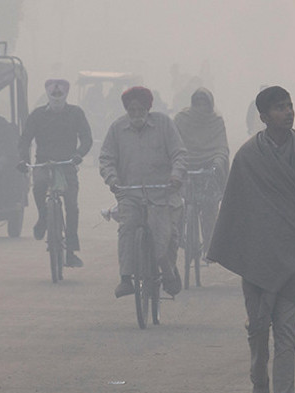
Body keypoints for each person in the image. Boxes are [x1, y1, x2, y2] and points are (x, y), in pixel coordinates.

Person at [207, 86, 295, 393]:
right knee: (259, 331)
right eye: (279, 108)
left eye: (290, 106)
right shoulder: (248, 158)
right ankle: (259, 380)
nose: (288, 112)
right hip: (258, 262)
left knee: (287, 335)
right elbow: (235, 208)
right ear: (263, 117)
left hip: (293, 263)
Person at [99, 86, 187, 298]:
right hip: (129, 193)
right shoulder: (117, 128)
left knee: (164, 237)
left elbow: (179, 154)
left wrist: (176, 176)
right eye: (132, 110)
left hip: (161, 194)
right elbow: (106, 159)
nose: (136, 114)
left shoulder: (164, 124)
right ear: (126, 110)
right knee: (127, 229)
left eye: (140, 110)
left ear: (148, 109)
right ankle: (126, 278)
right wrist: (112, 180)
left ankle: (167, 271)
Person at [18, 79, 92, 267]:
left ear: (66, 95)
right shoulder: (37, 116)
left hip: (67, 164)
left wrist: (79, 154)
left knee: (72, 206)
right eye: (54, 94)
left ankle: (71, 249)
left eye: (60, 94)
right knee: (38, 188)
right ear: (48, 95)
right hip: (44, 163)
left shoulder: (76, 113)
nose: (57, 97)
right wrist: (23, 160)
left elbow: (86, 138)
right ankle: (43, 217)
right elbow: (25, 139)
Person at [173, 87, 229, 259]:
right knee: (177, 207)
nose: (201, 107)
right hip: (184, 167)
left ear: (210, 105)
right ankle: (181, 237)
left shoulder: (216, 122)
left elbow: (221, 147)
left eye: (204, 103)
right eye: (197, 103)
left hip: (208, 169)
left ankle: (209, 246)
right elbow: (174, 145)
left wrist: (217, 163)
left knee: (210, 209)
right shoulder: (181, 119)